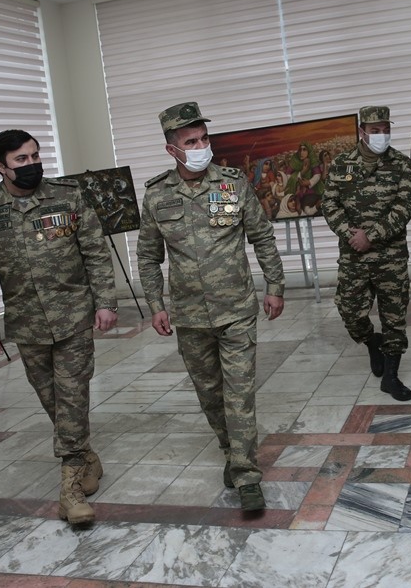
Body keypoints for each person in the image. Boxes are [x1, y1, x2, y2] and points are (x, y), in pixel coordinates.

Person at [0, 129, 118, 526]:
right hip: (26, 323)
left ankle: (70, 491)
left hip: (73, 316)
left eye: (35, 156)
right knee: (53, 399)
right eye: (21, 159)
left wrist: (105, 301)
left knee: (72, 395)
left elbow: (96, 252)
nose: (32, 164)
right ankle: (85, 456)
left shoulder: (67, 196)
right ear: (0, 167)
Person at [137, 101, 285, 513]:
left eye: (204, 138)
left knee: (239, 394)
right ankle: (231, 449)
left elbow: (262, 236)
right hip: (189, 315)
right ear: (172, 150)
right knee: (209, 394)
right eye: (191, 142)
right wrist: (155, 304)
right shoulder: (157, 195)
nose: (202, 147)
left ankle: (247, 475)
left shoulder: (233, 183)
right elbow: (148, 257)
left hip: (236, 308)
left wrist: (275, 285)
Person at [322, 105, 411, 401]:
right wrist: (350, 234)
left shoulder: (401, 164)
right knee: (350, 312)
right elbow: (329, 203)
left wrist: (371, 236)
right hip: (353, 256)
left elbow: (405, 206)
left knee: (394, 316)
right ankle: (370, 341)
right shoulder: (342, 164)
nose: (382, 135)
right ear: (362, 131)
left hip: (390, 256)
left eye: (386, 129)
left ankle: (391, 376)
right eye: (375, 130)